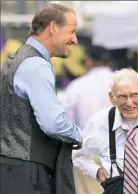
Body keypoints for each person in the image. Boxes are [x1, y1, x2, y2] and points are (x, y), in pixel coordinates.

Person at [0, 3, 82, 194]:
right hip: (25, 175)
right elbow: (52, 123)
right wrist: (81, 135)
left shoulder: (14, 60)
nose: (75, 39)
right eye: (71, 31)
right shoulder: (36, 65)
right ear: (53, 27)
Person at [72, 68, 138, 194]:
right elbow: (77, 154)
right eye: (122, 97)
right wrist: (96, 171)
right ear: (112, 97)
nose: (129, 102)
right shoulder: (101, 121)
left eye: (134, 95)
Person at [59, 45, 114, 194]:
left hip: (87, 157)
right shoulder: (124, 83)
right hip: (120, 156)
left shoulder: (77, 87)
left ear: (89, 61)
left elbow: (65, 125)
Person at [60, 45, 114, 129]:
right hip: (120, 140)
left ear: (88, 61)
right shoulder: (125, 81)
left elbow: (67, 121)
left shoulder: (76, 86)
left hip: (86, 139)